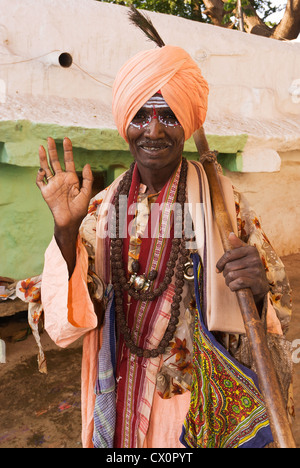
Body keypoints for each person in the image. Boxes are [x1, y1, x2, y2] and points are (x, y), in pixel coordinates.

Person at [36, 45, 293, 449]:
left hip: (192, 400)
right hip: (117, 386)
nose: (154, 130)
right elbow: (74, 318)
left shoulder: (225, 204)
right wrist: (66, 231)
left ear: (187, 124)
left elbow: (276, 305)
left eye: (169, 115)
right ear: (126, 125)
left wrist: (258, 287)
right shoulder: (104, 209)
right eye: (141, 115)